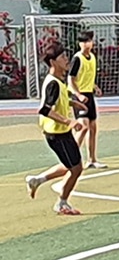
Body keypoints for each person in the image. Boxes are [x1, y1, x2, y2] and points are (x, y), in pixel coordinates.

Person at [25, 42, 86, 215]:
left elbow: (60, 97)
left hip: (61, 132)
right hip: (57, 133)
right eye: (63, 57)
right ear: (53, 62)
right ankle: (62, 203)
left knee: (72, 165)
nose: (67, 60)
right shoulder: (53, 82)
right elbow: (44, 109)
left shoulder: (58, 81)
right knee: (75, 168)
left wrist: (72, 102)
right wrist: (69, 122)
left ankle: (37, 180)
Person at [67, 30, 105, 169]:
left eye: (88, 41)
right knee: (83, 127)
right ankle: (71, 158)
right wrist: (78, 94)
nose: (86, 44)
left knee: (93, 127)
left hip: (89, 94)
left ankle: (92, 159)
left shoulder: (93, 57)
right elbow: (71, 79)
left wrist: (95, 87)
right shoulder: (77, 58)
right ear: (79, 44)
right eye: (83, 42)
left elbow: (88, 75)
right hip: (79, 95)